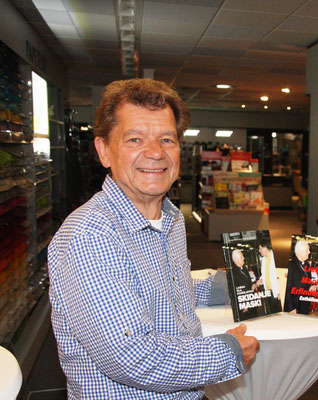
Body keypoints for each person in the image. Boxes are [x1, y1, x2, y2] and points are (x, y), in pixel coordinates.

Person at [48, 78, 259, 399]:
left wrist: (233, 284)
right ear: (104, 150)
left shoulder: (170, 219)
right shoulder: (90, 235)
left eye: (167, 139)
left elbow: (162, 291)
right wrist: (227, 353)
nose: (155, 153)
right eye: (134, 139)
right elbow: (132, 356)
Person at [284, 240, 314, 314]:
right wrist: (291, 308)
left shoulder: (307, 265)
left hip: (305, 305)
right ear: (300, 252)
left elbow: (307, 282)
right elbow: (288, 288)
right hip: (294, 305)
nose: (309, 252)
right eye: (307, 250)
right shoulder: (290, 265)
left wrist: (311, 286)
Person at [257, 239, 282, 311]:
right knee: (273, 312)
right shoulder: (263, 259)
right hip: (268, 292)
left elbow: (281, 275)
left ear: (265, 248)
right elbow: (265, 273)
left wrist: (281, 291)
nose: (259, 250)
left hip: (277, 292)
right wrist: (261, 279)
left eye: (260, 248)